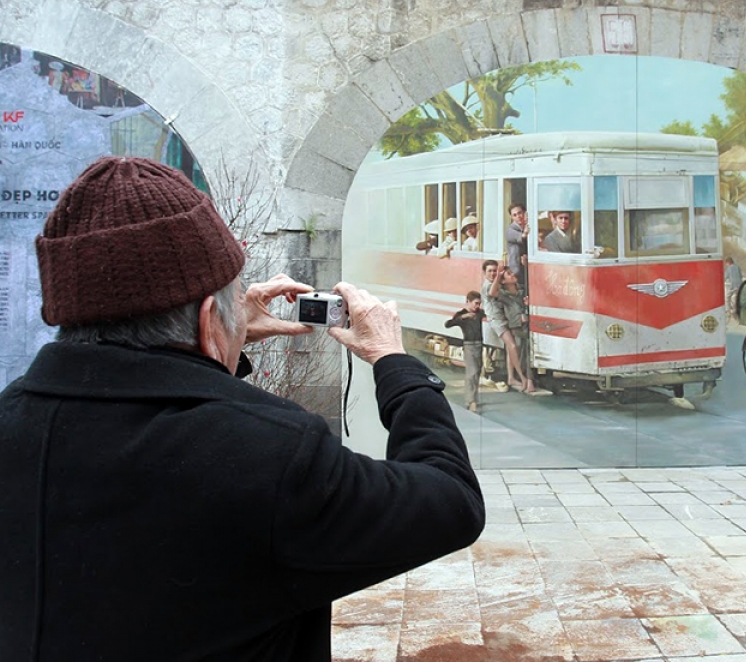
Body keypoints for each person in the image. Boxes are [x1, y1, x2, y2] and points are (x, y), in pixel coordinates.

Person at [0, 157, 485, 662]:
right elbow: (450, 500)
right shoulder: (271, 457)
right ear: (210, 316)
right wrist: (393, 360)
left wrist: (214, 345)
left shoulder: (11, 423)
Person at [480, 259, 529, 392]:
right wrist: (499, 276)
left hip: (504, 318)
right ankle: (521, 376)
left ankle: (511, 377)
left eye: (494, 271)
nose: (492, 273)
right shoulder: (488, 286)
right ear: (484, 273)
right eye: (489, 271)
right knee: (512, 346)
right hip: (497, 320)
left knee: (509, 349)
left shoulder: (498, 284)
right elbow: (492, 293)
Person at [498, 268, 537, 394]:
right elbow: (492, 292)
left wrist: (527, 306)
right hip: (516, 327)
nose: (513, 274)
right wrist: (498, 276)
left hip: (528, 324)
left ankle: (529, 380)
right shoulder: (504, 296)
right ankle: (523, 379)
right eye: (509, 274)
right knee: (520, 353)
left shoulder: (522, 290)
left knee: (529, 352)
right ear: (503, 281)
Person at [444, 290, 484, 412]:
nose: (477, 306)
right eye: (475, 303)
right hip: (468, 345)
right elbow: (448, 324)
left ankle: (473, 399)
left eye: (479, 304)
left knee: (477, 373)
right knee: (471, 372)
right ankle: (471, 401)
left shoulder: (480, 313)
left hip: (479, 345)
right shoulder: (461, 314)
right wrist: (463, 317)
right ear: (468, 302)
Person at [506, 202, 529, 285]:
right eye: (514, 215)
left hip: (527, 266)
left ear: (524, 213)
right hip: (516, 270)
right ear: (512, 217)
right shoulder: (510, 230)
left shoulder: (525, 226)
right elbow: (523, 237)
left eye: (520, 213)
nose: (518, 216)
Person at [724, 257, 743, 321]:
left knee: (727, 297)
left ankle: (728, 311)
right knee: (735, 298)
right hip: (740, 286)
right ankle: (735, 311)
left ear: (728, 262)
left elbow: (725, 277)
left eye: (726, 263)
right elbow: (741, 276)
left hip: (733, 286)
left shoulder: (729, 268)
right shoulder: (737, 267)